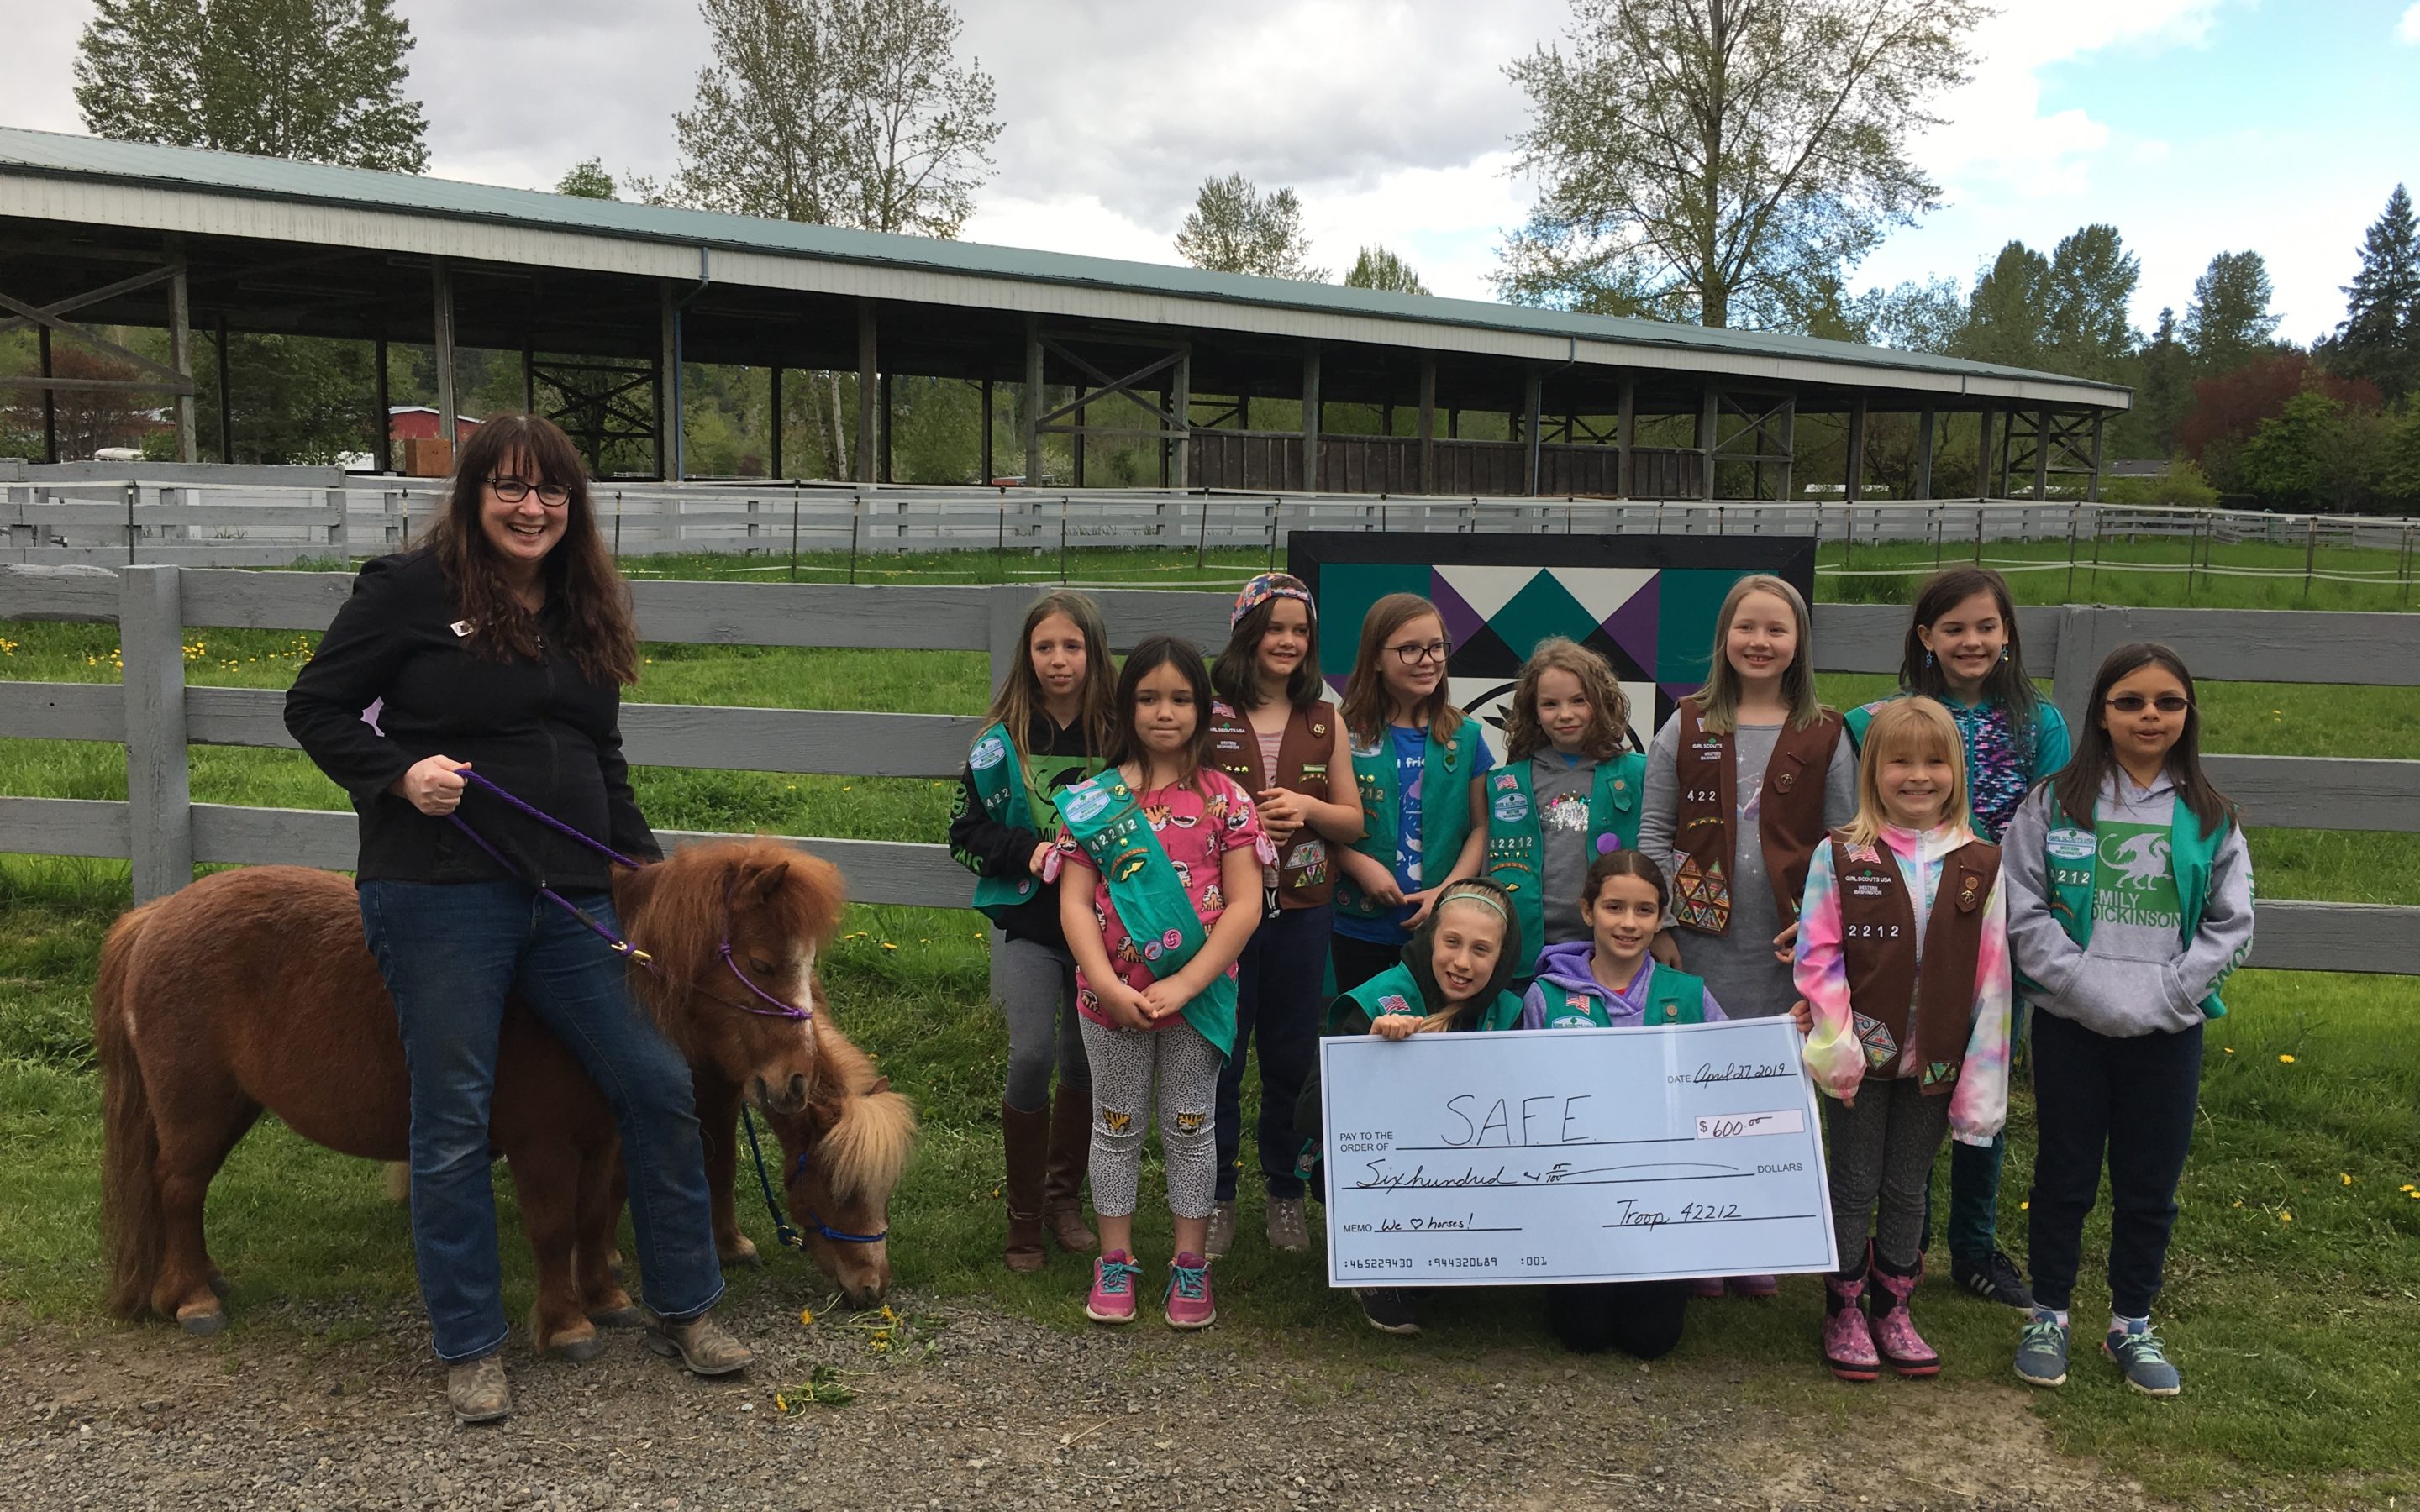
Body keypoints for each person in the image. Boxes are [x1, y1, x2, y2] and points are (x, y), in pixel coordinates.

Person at [282, 412, 745, 1425]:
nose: (530, 508)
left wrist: (648, 877)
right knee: (452, 1117)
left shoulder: (584, 605)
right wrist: (397, 775)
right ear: (474, 493)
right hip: (440, 892)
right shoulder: (407, 592)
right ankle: (469, 1343)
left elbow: (601, 759)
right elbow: (312, 707)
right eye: (510, 487)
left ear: (572, 508)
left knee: (658, 1082)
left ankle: (686, 1304)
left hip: (573, 894)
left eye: (551, 492)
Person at [2002, 644, 2252, 1399]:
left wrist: (2175, 994)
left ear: (2187, 714)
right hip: (2071, 1024)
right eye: (2132, 702)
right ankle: (2048, 1314)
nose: (2150, 716)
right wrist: (2075, 982)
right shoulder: (2056, 801)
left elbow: (2231, 923)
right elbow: (2022, 904)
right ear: (2101, 713)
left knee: (2150, 1184)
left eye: (2168, 702)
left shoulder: (2209, 813)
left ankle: (2131, 1323)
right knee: (2064, 1175)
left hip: (2168, 1032)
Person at [1844, 567, 2070, 1310]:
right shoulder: (1876, 719)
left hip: (1992, 936)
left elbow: (2050, 835)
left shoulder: (2040, 724)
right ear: (1925, 638)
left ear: (2008, 635)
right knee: (1902, 1082)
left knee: (1976, 1085)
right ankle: (1898, 1240)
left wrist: (2032, 929)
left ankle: (1973, 1245)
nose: (1970, 641)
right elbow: (1849, 831)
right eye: (1954, 628)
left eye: (1985, 626)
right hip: (1896, 934)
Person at [1636, 573, 1854, 1299]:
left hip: (1788, 947)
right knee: (1700, 1086)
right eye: (1746, 628)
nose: (1760, 642)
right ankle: (1702, 1237)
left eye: (1777, 630)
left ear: (1799, 644)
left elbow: (1847, 842)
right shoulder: (1688, 722)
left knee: (1773, 1090)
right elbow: (1654, 833)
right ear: (1724, 639)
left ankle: (1757, 1237)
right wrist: (1663, 925)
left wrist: (1824, 928)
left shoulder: (1826, 730)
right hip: (1701, 940)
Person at [1048, 636, 1270, 1331]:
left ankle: (1189, 1265)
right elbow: (1074, 903)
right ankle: (1114, 1262)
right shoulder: (1092, 803)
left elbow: (1244, 904)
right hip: (1107, 1001)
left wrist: (1188, 984)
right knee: (1114, 1128)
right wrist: (1108, 985)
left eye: (1179, 699)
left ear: (1203, 710)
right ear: (1126, 706)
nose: (1164, 712)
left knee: (1191, 1128)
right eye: (1148, 698)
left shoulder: (1227, 800)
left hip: (1199, 1002)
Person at [1795, 699, 2012, 1383]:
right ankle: (1845, 1308)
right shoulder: (1842, 853)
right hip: (1861, 1056)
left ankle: (1894, 1306)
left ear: (1955, 770)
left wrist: (1981, 1074)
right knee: (1855, 1183)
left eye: (1933, 761)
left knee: (1908, 1187)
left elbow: (1994, 972)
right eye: (1899, 761)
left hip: (1936, 1058)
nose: (1917, 776)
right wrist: (1836, 1038)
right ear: (1873, 771)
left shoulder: (1982, 862)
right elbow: (1817, 953)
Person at [947, 591, 1116, 1272]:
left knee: (1084, 1064)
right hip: (1034, 929)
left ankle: (1062, 1202)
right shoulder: (1000, 744)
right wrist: (1026, 850)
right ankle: (1021, 1218)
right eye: (1045, 647)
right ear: (1028, 656)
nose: (1058, 659)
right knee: (1031, 1056)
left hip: (1108, 932)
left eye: (1071, 646)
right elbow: (963, 832)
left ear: (1094, 653)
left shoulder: (1118, 737)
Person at [1204, 574, 1363, 1259]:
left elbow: (1352, 821)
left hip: (1303, 910)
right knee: (1222, 1054)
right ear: (1247, 632)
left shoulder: (1327, 718)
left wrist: (1308, 811)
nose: (1289, 642)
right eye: (1276, 628)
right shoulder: (1207, 715)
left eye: (1301, 631)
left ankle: (1285, 1192)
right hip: (1221, 913)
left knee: (1292, 1055)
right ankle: (1214, 1195)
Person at [1296, 878, 1526, 1337]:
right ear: (1430, 937)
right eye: (1452, 942)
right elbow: (1305, 1117)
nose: (1462, 963)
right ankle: (1378, 1267)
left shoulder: (1511, 1014)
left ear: (1503, 957)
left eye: (1481, 950)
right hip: (1380, 1170)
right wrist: (1371, 1054)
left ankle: (1454, 1250)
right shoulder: (1377, 1002)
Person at [1519, 851, 1721, 1360]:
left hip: (1660, 1200)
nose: (1628, 924)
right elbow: (1523, 1094)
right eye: (1614, 907)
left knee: (1652, 1340)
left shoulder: (1689, 995)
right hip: (1578, 1200)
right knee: (1581, 1335)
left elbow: (1735, 1071)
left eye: (1644, 911)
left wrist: (1791, 1035)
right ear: (1587, 912)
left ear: (1660, 918)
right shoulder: (1546, 996)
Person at [1332, 593, 1494, 994]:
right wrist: (1356, 864)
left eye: (1437, 647)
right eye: (1409, 649)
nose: (1428, 660)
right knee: (1365, 1026)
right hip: (1360, 922)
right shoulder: (1341, 733)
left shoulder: (1466, 737)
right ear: (1374, 658)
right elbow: (1322, 822)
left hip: (1443, 927)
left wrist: (1448, 891)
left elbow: (1481, 827)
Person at [1486, 637, 1646, 983]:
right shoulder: (1504, 783)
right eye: (1550, 704)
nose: (1565, 714)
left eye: (1579, 701)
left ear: (1601, 702)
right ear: (1533, 712)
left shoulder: (1638, 773)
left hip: (1611, 953)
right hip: (1524, 957)